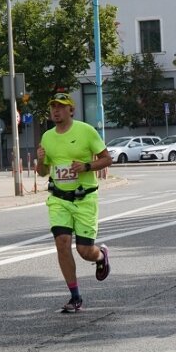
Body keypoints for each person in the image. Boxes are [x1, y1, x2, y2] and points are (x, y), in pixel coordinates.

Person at [36, 91, 113, 313]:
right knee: (61, 241)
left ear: (71, 110)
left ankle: (100, 255)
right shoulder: (47, 137)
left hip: (85, 198)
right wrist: (40, 161)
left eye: (61, 106)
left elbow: (107, 158)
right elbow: (42, 172)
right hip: (58, 198)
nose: (56, 111)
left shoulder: (86, 131)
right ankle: (75, 296)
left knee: (84, 250)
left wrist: (87, 166)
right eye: (53, 107)